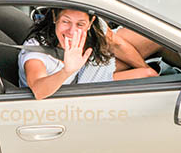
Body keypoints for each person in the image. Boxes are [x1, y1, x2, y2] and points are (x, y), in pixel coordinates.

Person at [18, 8, 158, 100]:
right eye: (66, 21)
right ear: (55, 17)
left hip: (89, 67)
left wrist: (143, 65)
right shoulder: (35, 53)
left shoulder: (95, 29)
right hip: (80, 84)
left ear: (90, 23)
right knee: (149, 75)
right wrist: (67, 71)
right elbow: (38, 90)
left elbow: (117, 45)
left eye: (80, 24)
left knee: (155, 42)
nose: (72, 31)